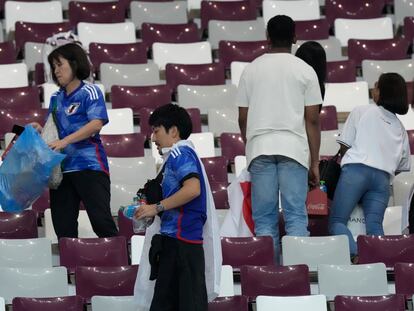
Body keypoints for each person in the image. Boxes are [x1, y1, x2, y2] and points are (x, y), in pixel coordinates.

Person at [236, 15, 322, 259]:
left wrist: (250, 143)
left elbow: (243, 118)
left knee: (264, 220)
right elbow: (313, 120)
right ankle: (298, 277)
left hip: (260, 148)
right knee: (296, 217)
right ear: (295, 37)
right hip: (294, 149)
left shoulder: (251, 69)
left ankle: (269, 281)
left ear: (267, 38)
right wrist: (314, 162)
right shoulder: (305, 70)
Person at [135, 104, 219, 311]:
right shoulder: (179, 155)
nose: (153, 138)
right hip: (178, 245)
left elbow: (192, 189)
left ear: (173, 131)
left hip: (181, 246)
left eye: (156, 131)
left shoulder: (179, 153)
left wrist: (157, 207)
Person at [31, 43, 118, 239]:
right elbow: (52, 132)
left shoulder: (90, 91)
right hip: (61, 172)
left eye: (60, 65)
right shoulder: (55, 98)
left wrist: (65, 142)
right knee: (64, 230)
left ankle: (121, 264)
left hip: (89, 167)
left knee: (101, 222)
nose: (56, 70)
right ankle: (71, 268)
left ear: (74, 63)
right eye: (53, 66)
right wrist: (39, 130)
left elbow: (96, 124)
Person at [329, 72, 411, 259]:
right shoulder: (400, 128)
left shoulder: (361, 111)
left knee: (337, 221)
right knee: (374, 225)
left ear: (381, 92)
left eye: (376, 86)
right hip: (382, 181)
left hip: (355, 173)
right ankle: (378, 263)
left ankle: (355, 255)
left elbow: (344, 147)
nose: (373, 89)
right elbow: (402, 165)